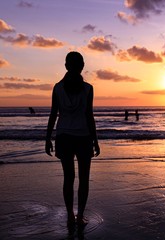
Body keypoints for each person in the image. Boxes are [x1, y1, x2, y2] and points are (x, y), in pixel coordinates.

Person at [45, 51, 100, 228]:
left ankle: (70, 215)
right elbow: (89, 116)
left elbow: (53, 114)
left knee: (68, 178)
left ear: (67, 66)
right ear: (82, 66)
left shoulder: (57, 87)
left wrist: (47, 138)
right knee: (83, 178)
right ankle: (80, 215)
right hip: (83, 137)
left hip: (63, 137)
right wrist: (95, 140)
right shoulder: (88, 88)